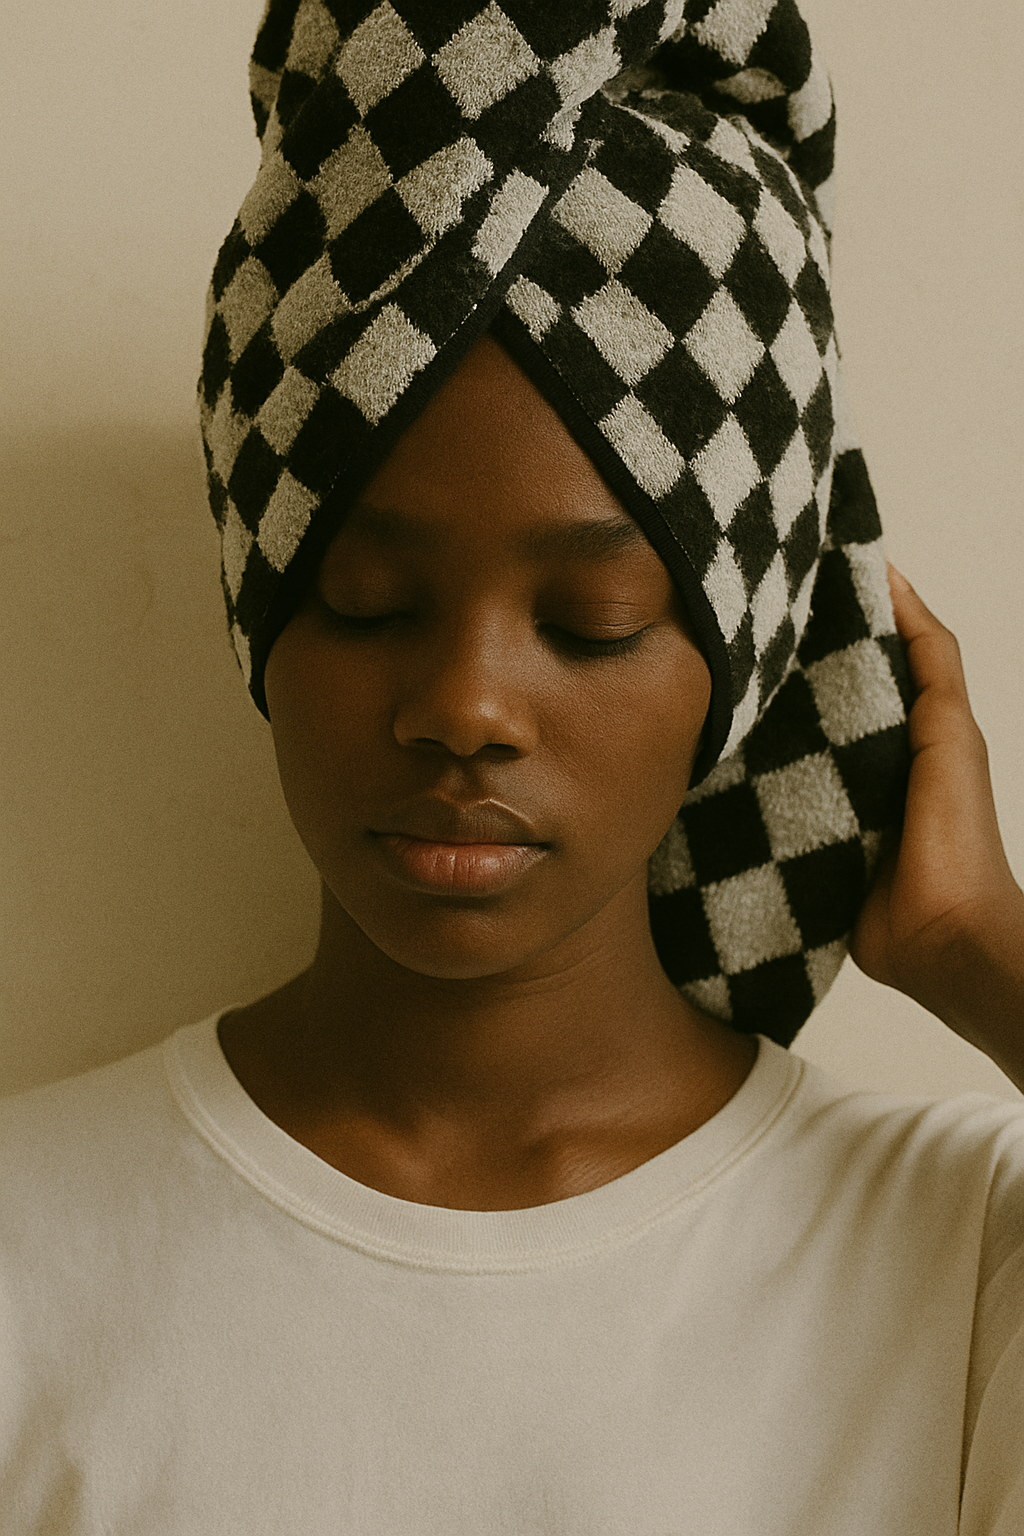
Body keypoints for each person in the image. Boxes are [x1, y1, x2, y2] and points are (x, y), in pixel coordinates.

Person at [2, 2, 1023, 1531]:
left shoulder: (966, 1249)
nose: (466, 707)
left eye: (590, 621)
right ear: (258, 610)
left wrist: (977, 947)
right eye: (369, 602)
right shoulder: (28, 1253)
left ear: (743, 656)